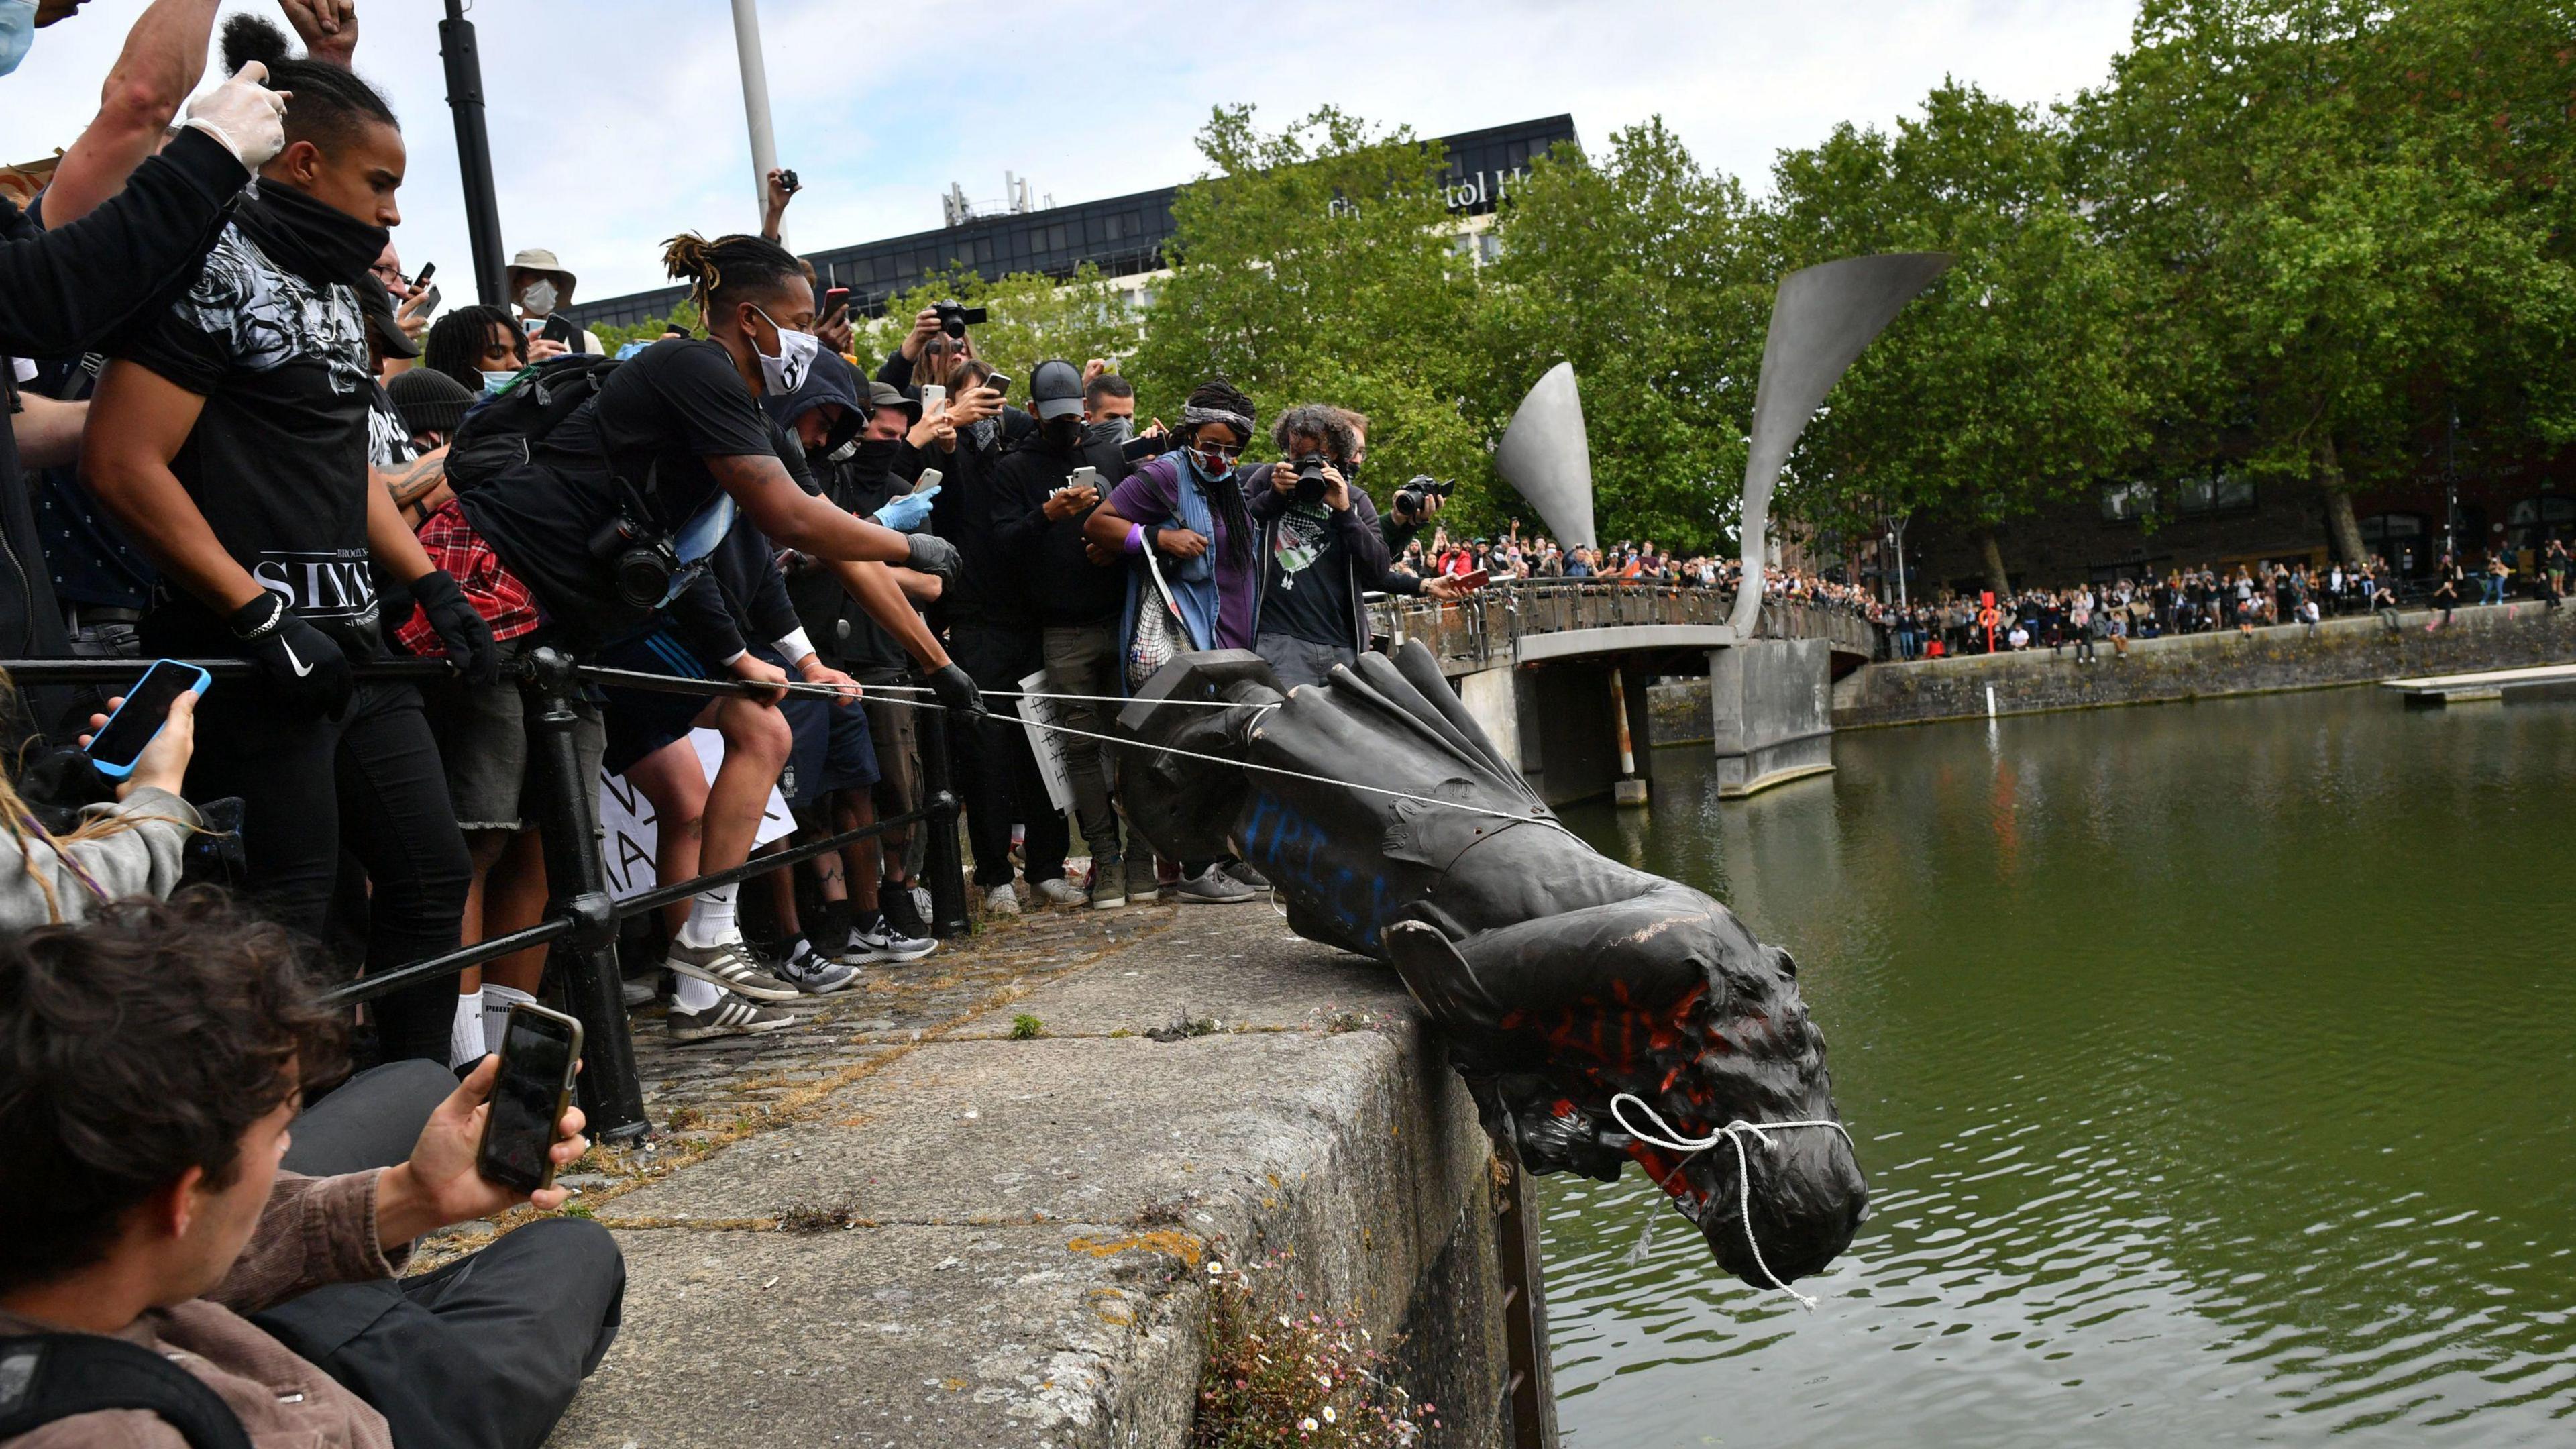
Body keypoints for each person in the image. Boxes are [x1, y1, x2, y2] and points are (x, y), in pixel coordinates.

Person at [406, 231, 980, 1038]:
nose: (811, 339)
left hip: (571, 625)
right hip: (496, 593)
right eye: (801, 319)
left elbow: (829, 540)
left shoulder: (751, 419)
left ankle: (508, 1044)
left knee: (548, 839)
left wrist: (937, 663)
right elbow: (796, 521)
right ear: (750, 318)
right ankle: (463, 1058)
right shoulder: (692, 369)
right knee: (484, 840)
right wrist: (906, 543)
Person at [81, 18, 494, 1067]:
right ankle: (272, 1174)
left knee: (431, 874)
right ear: (302, 164)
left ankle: (401, 1119)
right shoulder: (207, 265)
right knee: (289, 913)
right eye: (379, 185)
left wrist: (431, 587)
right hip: (249, 653)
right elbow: (122, 460)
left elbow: (332, 462)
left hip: (353, 643)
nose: (394, 213)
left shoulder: (329, 289)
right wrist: (252, 608)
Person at [0, 892, 623, 1449]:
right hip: (348, 1397)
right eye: (277, 1136)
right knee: (574, 1249)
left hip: (210, 1311)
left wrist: (408, 1195)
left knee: (419, 1083)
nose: (286, 1150)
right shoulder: (122, 1432)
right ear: (182, 1200)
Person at [1085, 378, 1272, 906]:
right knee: (1191, 748)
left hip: (1232, 637)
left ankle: (1229, 855)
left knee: (1231, 749)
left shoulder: (1230, 483)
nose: (1220, 457)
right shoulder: (1166, 474)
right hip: (1188, 635)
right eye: (1211, 445)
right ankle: (1194, 866)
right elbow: (1101, 524)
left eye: (1232, 450)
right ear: (1190, 434)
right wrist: (1158, 538)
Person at [990, 358, 1135, 908]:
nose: (1067, 428)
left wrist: (1113, 541)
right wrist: (1047, 515)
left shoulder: (1107, 454)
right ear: (1032, 413)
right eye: (1055, 419)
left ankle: (1140, 856)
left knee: (1135, 739)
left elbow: (1143, 520)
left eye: (1075, 418)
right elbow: (999, 549)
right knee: (1080, 747)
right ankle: (1107, 856)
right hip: (1061, 628)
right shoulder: (1013, 468)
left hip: (1120, 621)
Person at [1244, 404, 1396, 690]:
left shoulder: (1355, 499)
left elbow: (1378, 569)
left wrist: (1345, 512)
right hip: (1278, 640)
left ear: (1336, 453)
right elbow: (1230, 532)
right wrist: (1273, 497)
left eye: (1316, 456)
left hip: (1342, 645)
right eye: (1297, 455)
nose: (1305, 464)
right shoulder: (1268, 479)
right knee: (1286, 730)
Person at [504, 245, 603, 356]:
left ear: (558, 287)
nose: (545, 285)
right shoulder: (501, 337)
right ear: (518, 283)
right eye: (536, 277)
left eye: (551, 279)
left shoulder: (585, 341)